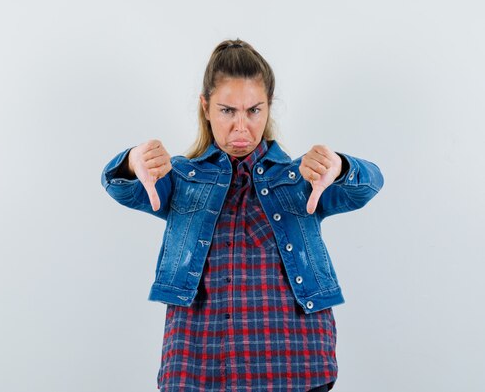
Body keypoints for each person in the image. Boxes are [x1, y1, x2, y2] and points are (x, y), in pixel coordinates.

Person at [101, 39, 384, 392]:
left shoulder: (300, 178)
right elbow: (119, 186)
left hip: (295, 358)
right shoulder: (180, 179)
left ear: (268, 109)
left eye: (253, 110)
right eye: (227, 110)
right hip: (198, 358)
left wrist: (340, 166)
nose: (241, 127)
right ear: (205, 107)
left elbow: (367, 186)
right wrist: (132, 162)